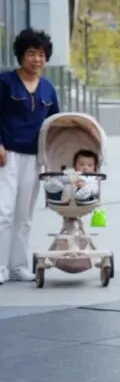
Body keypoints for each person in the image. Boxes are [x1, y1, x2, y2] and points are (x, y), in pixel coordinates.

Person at [0, 28, 59, 284]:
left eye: (42, 55)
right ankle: (0, 266)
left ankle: (17, 266)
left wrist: (53, 158)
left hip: (34, 158)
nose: (37, 59)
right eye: (32, 53)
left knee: (24, 215)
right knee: (4, 211)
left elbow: (55, 124)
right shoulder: (5, 82)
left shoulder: (48, 89)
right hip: (7, 156)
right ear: (21, 55)